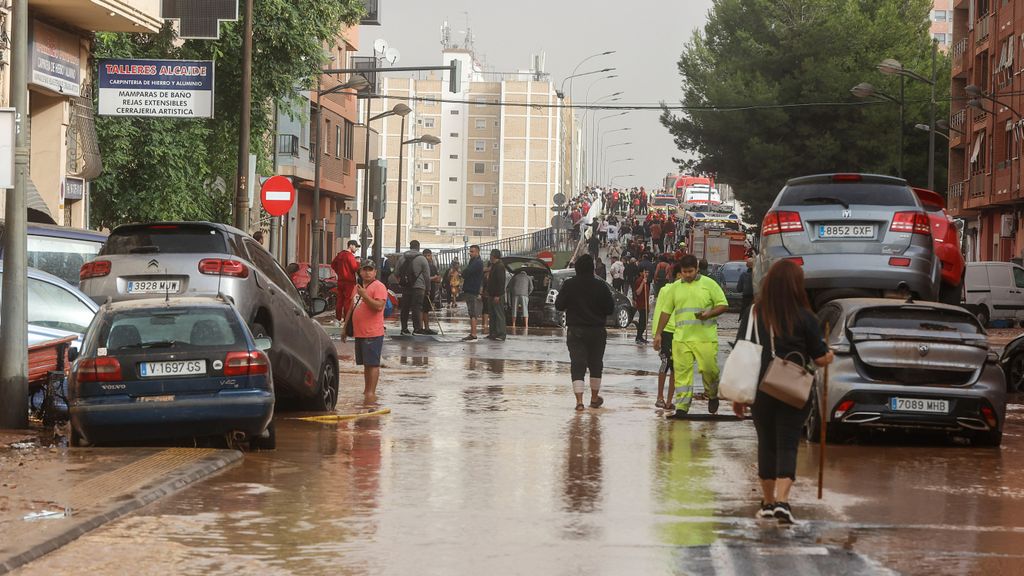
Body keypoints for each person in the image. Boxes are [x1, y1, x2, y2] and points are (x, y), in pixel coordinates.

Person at [732, 259, 833, 524]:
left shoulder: (754, 313)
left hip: (760, 388)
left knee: (766, 444)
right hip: (794, 389)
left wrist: (738, 397)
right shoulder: (805, 316)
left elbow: (741, 350)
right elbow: (821, 359)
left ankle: (767, 503)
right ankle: (783, 502)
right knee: (788, 444)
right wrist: (829, 354)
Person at [652, 254, 728, 416]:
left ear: (697, 269)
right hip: (681, 339)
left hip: (705, 338)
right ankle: (682, 406)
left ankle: (712, 394)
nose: (687, 275)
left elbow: (723, 304)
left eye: (690, 271)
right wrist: (658, 333)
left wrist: (709, 313)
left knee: (709, 370)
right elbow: (666, 312)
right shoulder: (675, 288)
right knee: (681, 373)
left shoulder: (710, 285)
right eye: (684, 272)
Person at [554, 255, 616, 411]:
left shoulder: (569, 285)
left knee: (577, 365)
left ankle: (579, 402)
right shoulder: (601, 286)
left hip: (576, 331)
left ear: (577, 269)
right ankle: (594, 399)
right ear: (593, 269)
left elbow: (559, 305)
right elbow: (610, 309)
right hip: (597, 331)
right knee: (596, 365)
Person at [342, 260, 388, 403]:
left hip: (372, 332)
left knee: (373, 364)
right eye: (365, 270)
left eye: (370, 270)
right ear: (360, 272)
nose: (367, 272)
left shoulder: (379, 287)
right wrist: (345, 328)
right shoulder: (357, 288)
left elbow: (379, 306)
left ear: (375, 272)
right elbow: (351, 308)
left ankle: (370, 393)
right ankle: (367, 390)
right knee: (366, 364)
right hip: (359, 332)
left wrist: (365, 295)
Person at [652, 262, 681, 409]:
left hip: (681, 333)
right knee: (665, 363)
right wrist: (656, 334)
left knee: (676, 367)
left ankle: (670, 400)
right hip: (667, 332)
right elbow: (659, 310)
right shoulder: (666, 290)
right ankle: (660, 397)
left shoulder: (688, 290)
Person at [391, 240, 432, 336]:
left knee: (405, 308)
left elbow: (396, 273)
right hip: (419, 287)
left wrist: (401, 282)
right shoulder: (422, 259)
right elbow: (427, 276)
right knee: (417, 308)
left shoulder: (402, 258)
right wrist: (428, 289)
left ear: (410, 247)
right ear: (418, 247)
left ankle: (404, 329)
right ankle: (417, 329)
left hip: (406, 286)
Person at [331, 239, 361, 323]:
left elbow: (333, 264)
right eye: (355, 247)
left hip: (340, 281)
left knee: (340, 300)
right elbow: (355, 268)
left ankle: (338, 318)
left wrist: (339, 272)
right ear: (351, 245)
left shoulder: (340, 254)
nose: (356, 249)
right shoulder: (350, 256)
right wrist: (358, 263)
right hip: (349, 282)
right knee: (348, 300)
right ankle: (347, 319)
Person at [461, 245, 484, 341]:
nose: (470, 253)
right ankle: (472, 333)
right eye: (470, 251)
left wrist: (463, 273)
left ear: (477, 252)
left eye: (472, 251)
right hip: (470, 289)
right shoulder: (473, 261)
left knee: (473, 312)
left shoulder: (477, 262)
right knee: (471, 312)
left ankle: (473, 334)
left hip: (472, 289)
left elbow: (467, 272)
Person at [486, 249, 508, 341]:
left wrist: (498, 295)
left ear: (494, 256)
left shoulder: (499, 266)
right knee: (493, 314)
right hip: (492, 294)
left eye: (491, 255)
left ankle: (501, 334)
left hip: (497, 295)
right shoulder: (494, 266)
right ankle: (493, 333)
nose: (490, 257)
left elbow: (501, 282)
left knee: (499, 315)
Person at [420, 249, 441, 333]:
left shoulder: (433, 267)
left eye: (429, 255)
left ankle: (426, 327)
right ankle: (422, 327)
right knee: (423, 309)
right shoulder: (422, 266)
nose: (427, 258)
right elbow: (423, 278)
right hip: (424, 289)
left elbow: (438, 279)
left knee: (426, 309)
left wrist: (434, 279)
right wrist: (433, 278)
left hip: (431, 289)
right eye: (425, 256)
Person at [633, 269, 650, 344]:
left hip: (645, 305)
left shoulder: (646, 281)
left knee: (644, 322)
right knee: (642, 321)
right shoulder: (639, 281)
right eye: (645, 272)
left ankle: (640, 336)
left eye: (648, 272)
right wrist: (642, 283)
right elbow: (638, 292)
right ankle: (638, 336)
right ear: (641, 273)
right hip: (641, 305)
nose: (647, 273)